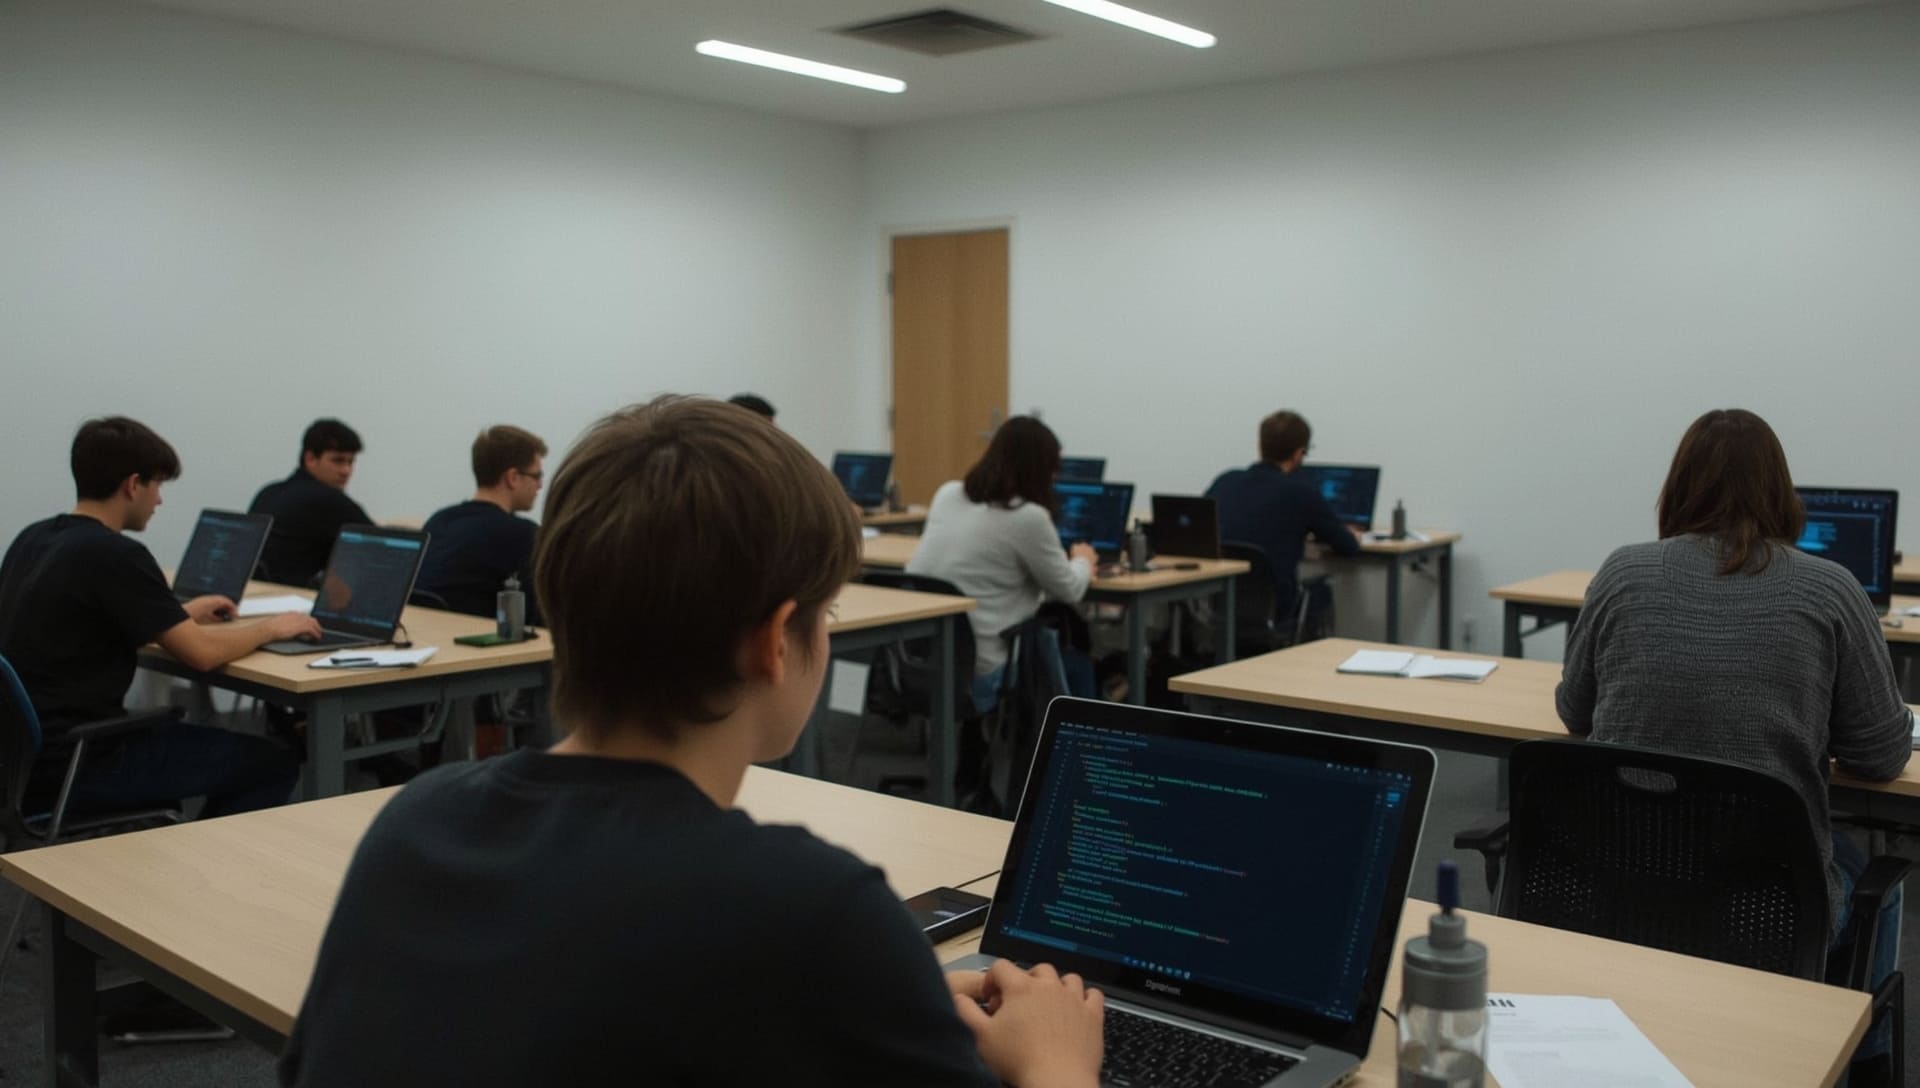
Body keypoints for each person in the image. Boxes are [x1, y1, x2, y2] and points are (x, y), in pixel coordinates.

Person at [278, 397, 1105, 1087]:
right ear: (778, 641)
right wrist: (1057, 1063)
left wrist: (881, 983)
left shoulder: (415, 821)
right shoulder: (814, 906)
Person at [1556, 407, 1910, 1075]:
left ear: (1678, 487)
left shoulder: (1622, 572)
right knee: (1878, 880)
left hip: (1618, 883)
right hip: (1770, 907)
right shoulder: (1831, 588)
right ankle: (1859, 1061)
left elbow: (1575, 712)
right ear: (1782, 491)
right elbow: (1881, 755)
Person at [0, 417, 318, 817]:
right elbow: (201, 654)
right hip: (83, 762)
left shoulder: (34, 538)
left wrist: (177, 615)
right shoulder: (115, 553)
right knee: (272, 763)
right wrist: (271, 627)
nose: (159, 501)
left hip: (21, 762)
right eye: (158, 486)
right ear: (133, 485)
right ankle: (202, 874)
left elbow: (78, 628)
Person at [907, 416, 1098, 708]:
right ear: (1041, 470)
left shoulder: (948, 494)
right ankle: (1082, 749)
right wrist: (1083, 561)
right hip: (982, 673)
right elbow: (1070, 590)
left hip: (918, 664)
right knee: (1079, 665)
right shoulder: (1028, 517)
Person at [1204, 410, 1360, 619]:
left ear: (1260, 446)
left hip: (1219, 602)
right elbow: (1347, 547)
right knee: (1321, 590)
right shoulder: (1301, 492)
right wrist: (1353, 535)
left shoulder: (1226, 480)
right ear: (1298, 454)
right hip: (1276, 607)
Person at [415, 425, 547, 622]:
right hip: (479, 646)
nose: (540, 485)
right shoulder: (523, 534)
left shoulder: (438, 520)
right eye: (536, 476)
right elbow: (539, 617)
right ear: (512, 478)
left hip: (427, 640)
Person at [249, 418, 371, 587]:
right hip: (295, 598)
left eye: (351, 462)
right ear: (310, 458)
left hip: (253, 594)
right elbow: (381, 546)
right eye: (338, 461)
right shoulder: (327, 500)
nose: (346, 471)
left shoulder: (268, 492)